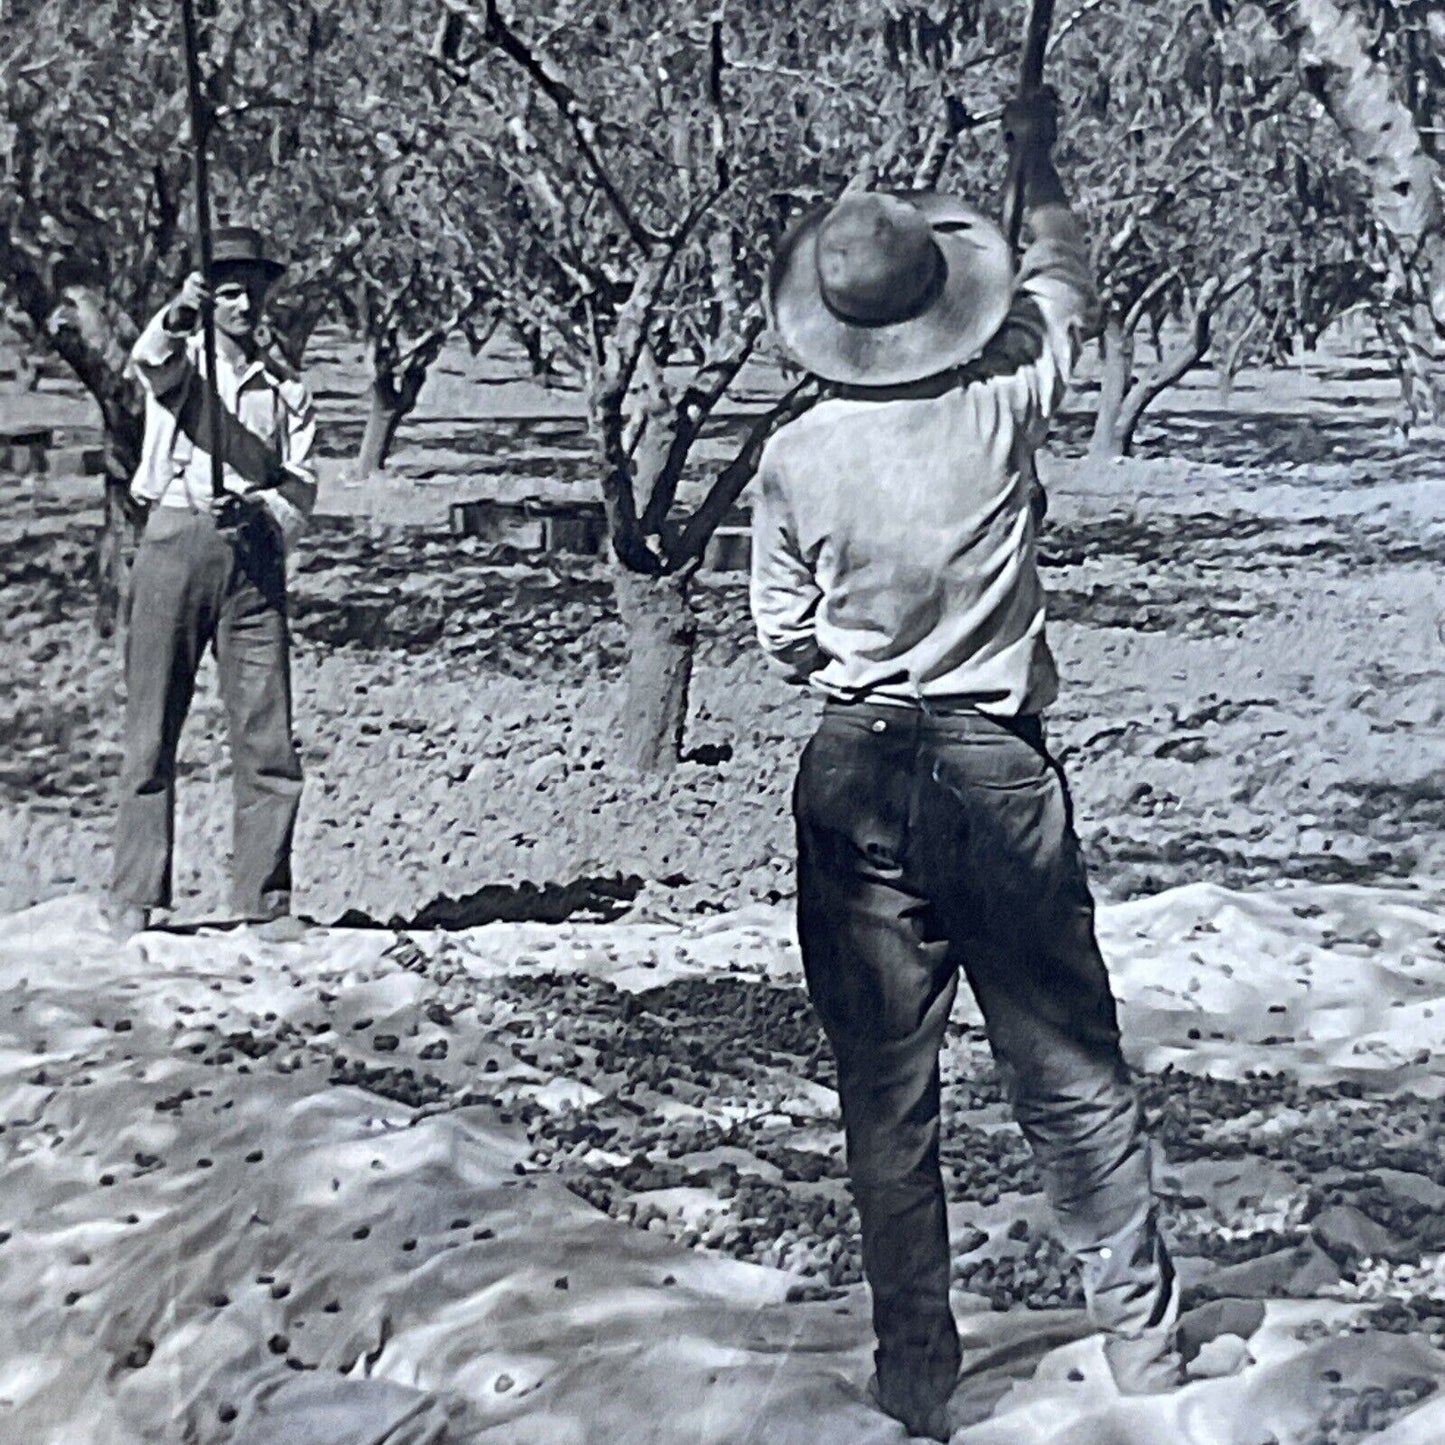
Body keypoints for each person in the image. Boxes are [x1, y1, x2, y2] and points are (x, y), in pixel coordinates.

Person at [750, 94, 1184, 1439]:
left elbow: (778, 634)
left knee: (887, 1091)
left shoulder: (794, 454)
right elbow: (1065, 274)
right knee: (1067, 1068)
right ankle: (1147, 1354)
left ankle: (915, 1379)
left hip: (854, 766)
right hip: (995, 763)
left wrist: (858, 640)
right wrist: (1039, 157)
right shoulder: (1003, 405)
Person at [104, 226, 317, 942]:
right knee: (151, 727)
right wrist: (178, 310)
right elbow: (150, 358)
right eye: (229, 290)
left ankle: (265, 898)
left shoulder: (286, 385)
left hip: (252, 556)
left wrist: (260, 507)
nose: (245, 304)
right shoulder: (184, 365)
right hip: (174, 541)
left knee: (266, 731)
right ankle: (135, 893)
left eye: (254, 290)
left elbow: (302, 482)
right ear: (208, 295)